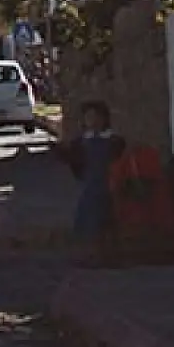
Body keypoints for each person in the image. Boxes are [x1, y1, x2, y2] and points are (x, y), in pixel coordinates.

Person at [57, 100, 126, 251]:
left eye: (95, 117)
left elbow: (120, 160)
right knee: (89, 218)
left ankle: (109, 249)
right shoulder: (81, 142)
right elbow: (73, 161)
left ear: (104, 118)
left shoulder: (114, 141)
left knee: (108, 218)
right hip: (90, 187)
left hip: (109, 186)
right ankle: (90, 249)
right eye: (88, 117)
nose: (92, 121)